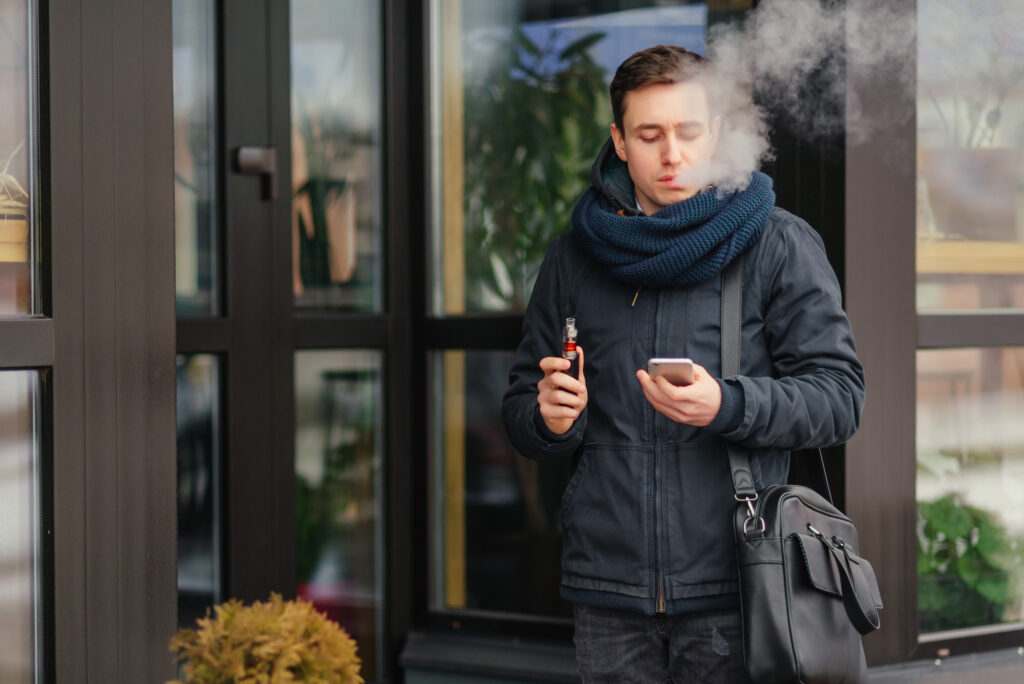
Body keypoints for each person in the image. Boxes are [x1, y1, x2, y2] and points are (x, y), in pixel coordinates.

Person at [501, 45, 864, 683]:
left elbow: (839, 399)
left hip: (740, 585)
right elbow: (523, 407)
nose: (672, 153)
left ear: (717, 132)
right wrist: (550, 418)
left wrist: (728, 404)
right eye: (649, 134)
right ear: (618, 140)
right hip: (607, 595)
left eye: (688, 131)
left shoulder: (777, 243)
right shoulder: (574, 257)